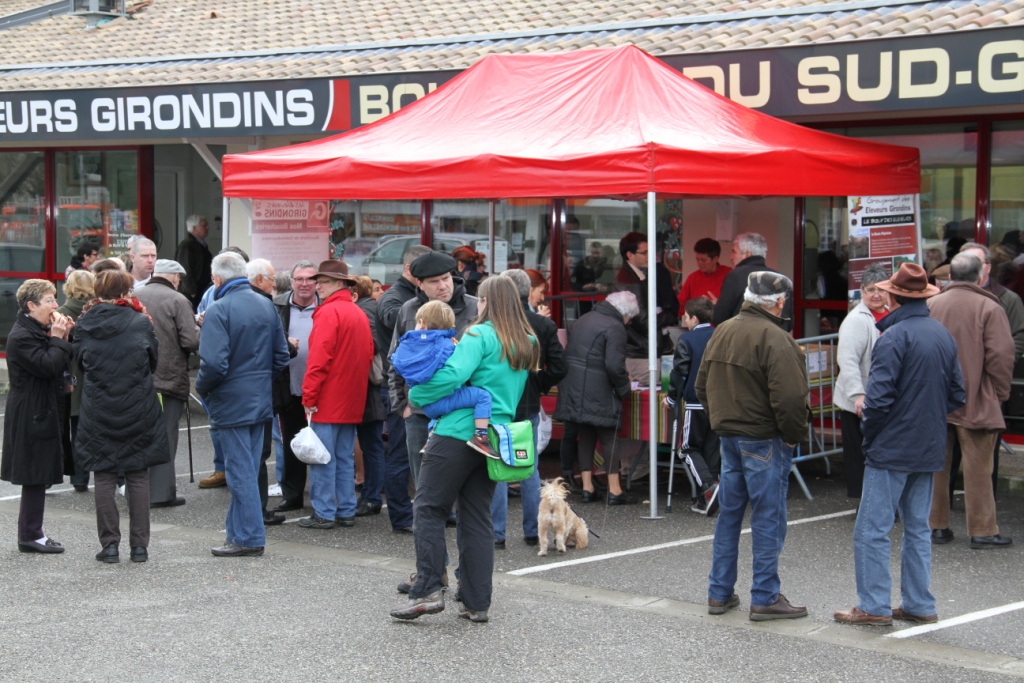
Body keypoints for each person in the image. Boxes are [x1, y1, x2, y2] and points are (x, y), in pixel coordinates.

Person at [390, 277, 538, 623]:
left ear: (485, 300)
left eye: (480, 300)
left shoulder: (478, 335)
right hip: (494, 437)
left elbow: (453, 375)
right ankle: (476, 601)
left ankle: (427, 588)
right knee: (477, 517)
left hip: (457, 431)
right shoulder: (527, 341)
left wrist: (418, 397)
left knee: (428, 508)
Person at [834, 263, 965, 626]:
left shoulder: (893, 337)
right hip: (927, 442)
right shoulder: (941, 334)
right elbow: (957, 393)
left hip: (893, 444)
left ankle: (874, 605)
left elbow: (878, 399)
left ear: (892, 296)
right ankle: (919, 603)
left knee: (872, 529)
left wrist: (872, 435)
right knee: (917, 528)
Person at [696, 272, 809, 620]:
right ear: (778, 302)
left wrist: (723, 418)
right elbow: (790, 399)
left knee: (729, 515)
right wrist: (793, 434)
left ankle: (719, 592)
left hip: (730, 435)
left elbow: (701, 387)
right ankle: (765, 596)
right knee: (768, 517)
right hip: (763, 437)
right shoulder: (777, 338)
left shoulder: (724, 330)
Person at [196, 252, 289, 557]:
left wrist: (203, 390)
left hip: (231, 401)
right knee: (247, 468)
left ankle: (247, 537)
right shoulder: (265, 305)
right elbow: (281, 356)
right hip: (259, 398)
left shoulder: (218, 309)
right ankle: (239, 534)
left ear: (216, 279)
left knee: (240, 472)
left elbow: (212, 365)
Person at [74, 270, 167, 563]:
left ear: (98, 292)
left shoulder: (85, 323)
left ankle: (110, 544)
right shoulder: (140, 322)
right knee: (137, 474)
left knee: (103, 475)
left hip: (99, 405)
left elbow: (79, 362)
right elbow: (153, 360)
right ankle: (139, 546)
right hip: (137, 404)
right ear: (126, 290)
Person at [927, 252, 1015, 549]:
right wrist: (1000, 394)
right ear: (980, 276)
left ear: (949, 276)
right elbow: (1001, 357)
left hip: (936, 400)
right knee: (979, 469)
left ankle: (936, 526)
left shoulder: (931, 305)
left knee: (936, 466)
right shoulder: (989, 307)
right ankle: (982, 530)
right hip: (977, 398)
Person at [389, 251, 479, 490]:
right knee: (425, 485)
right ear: (419, 283)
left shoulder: (475, 308)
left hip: (462, 409)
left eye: (446, 278)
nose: (443, 286)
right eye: (434, 281)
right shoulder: (408, 310)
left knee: (464, 485)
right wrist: (403, 406)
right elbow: (395, 361)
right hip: (419, 412)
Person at [492, 268, 567, 548]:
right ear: (527, 291)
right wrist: (538, 384)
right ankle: (534, 530)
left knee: (498, 465)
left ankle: (496, 533)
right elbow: (560, 367)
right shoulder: (542, 325)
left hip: (498, 403)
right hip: (528, 403)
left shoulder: (493, 324)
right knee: (527, 465)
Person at [299, 260, 374, 530]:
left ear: (339, 284)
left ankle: (324, 512)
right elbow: (367, 354)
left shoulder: (328, 313)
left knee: (322, 457)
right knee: (344, 458)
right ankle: (345, 509)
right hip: (351, 397)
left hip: (328, 399)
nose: (317, 285)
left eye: (324, 281)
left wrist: (309, 397)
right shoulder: (357, 312)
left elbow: (318, 360)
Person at [1, 279, 73, 554]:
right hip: (31, 411)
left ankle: (33, 532)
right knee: (34, 473)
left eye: (55, 299)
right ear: (31, 305)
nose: (55, 305)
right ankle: (31, 535)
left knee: (40, 473)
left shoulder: (39, 329)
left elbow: (61, 361)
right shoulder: (21, 336)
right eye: (49, 301)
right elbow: (47, 366)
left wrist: (63, 337)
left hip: (43, 406)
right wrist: (57, 339)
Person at [951, 242, 1024, 496]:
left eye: (976, 261)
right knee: (943, 463)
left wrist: (997, 391)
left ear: (987, 268)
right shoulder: (940, 299)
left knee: (983, 464)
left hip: (984, 391)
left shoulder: (1004, 300)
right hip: (949, 393)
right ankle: (939, 521)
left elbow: (1013, 343)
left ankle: (980, 525)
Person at [553, 291, 638, 505]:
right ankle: (615, 490)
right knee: (609, 437)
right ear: (625, 314)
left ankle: (587, 487)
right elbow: (614, 366)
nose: (629, 322)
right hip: (599, 389)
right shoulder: (615, 327)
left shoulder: (585, 318)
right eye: (630, 318)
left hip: (574, 385)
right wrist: (623, 388)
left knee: (586, 435)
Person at [391, 300, 499, 457]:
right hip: (443, 400)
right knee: (483, 397)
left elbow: (395, 363)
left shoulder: (407, 345)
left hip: (423, 405)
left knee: (440, 416)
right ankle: (481, 436)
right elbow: (459, 370)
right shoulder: (448, 345)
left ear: (421, 323)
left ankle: (430, 440)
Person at [133, 259, 200, 509]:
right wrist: (201, 326)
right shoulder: (178, 300)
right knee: (165, 435)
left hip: (138, 378)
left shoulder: (135, 295)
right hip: (167, 377)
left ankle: (136, 491)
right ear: (175, 278)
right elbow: (191, 341)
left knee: (140, 434)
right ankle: (160, 493)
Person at [376, 244, 432, 535]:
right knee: (401, 455)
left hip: (423, 392)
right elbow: (391, 318)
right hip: (401, 390)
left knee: (427, 454)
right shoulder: (395, 299)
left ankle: (434, 509)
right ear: (410, 270)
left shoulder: (413, 295)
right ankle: (401, 516)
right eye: (428, 273)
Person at [833, 263, 890, 499]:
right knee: (860, 453)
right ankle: (863, 501)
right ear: (862, 292)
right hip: (859, 401)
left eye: (880, 289)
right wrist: (858, 394)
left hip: (882, 398)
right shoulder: (856, 320)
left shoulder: (891, 312)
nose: (876, 295)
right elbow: (847, 360)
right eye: (869, 290)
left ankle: (882, 499)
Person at [196, 246, 250, 489]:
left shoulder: (257, 300)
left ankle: (236, 476)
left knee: (237, 440)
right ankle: (222, 469)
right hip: (246, 383)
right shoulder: (212, 294)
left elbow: (215, 363)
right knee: (219, 427)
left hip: (230, 381)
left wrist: (202, 385)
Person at [271, 260, 320, 512]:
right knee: (291, 444)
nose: (304, 284)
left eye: (309, 279)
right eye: (299, 279)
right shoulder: (276, 306)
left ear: (317, 282)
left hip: (321, 390)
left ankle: (323, 498)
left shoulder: (326, 306)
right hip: (288, 386)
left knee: (323, 444)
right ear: (290, 282)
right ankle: (292, 495)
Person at [665, 296, 720, 514]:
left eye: (685, 316)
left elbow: (679, 373)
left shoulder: (687, 340)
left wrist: (670, 398)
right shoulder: (720, 335)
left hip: (696, 402)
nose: (683, 320)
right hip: (717, 403)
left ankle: (708, 489)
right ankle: (706, 498)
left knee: (687, 450)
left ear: (694, 319)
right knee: (711, 452)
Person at [245, 258, 290, 526]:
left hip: (236, 396)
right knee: (258, 454)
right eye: (272, 280)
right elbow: (281, 353)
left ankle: (251, 511)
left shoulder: (224, 305)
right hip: (261, 392)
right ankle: (256, 512)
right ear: (260, 280)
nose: (275, 285)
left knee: (247, 455)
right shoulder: (265, 307)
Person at [350, 275, 387, 518]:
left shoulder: (365, 311)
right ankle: (372, 493)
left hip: (369, 386)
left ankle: (372, 496)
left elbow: (372, 345)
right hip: (370, 385)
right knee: (371, 442)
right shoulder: (370, 308)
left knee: (371, 442)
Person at [57, 270, 95, 493]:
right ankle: (86, 477)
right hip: (92, 379)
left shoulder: (60, 314)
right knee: (88, 431)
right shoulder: (97, 312)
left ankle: (70, 477)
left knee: (67, 430)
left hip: (68, 379)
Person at [712, 233, 793, 331]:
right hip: (776, 342)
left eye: (734, 252)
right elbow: (789, 322)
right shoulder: (780, 278)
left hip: (744, 342)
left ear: (747, 254)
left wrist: (716, 306)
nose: (731, 257)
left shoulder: (736, 276)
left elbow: (719, 318)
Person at [676, 238, 731, 310]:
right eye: (697, 259)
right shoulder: (693, 278)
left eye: (703, 260)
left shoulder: (730, 275)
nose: (699, 263)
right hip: (699, 320)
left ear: (715, 259)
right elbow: (680, 304)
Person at [176, 214, 214, 310]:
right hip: (192, 293)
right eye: (204, 225)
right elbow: (185, 269)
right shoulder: (187, 245)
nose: (207, 228)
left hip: (201, 290)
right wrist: (192, 291)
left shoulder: (199, 244)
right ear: (194, 228)